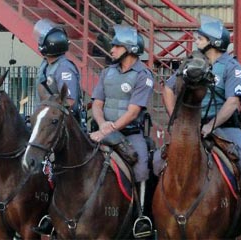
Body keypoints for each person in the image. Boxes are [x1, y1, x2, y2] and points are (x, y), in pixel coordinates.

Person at [161, 14, 241, 238]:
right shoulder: (190, 63)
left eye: (201, 38)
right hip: (189, 128)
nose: (196, 40)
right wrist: (176, 121)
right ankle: (152, 218)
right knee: (158, 161)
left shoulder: (233, 68)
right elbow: (168, 89)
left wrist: (210, 126)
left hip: (225, 128)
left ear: (214, 42)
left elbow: (233, 101)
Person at [89, 25, 154, 238]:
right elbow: (97, 104)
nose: (112, 50)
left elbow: (134, 112)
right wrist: (102, 125)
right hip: (103, 130)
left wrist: (111, 128)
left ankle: (142, 217)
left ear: (130, 49)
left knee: (143, 166)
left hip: (130, 134)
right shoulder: (107, 72)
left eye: (117, 46)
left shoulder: (144, 75)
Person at [31, 18, 83, 236]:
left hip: (64, 130)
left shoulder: (64, 68)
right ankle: (43, 213)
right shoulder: (46, 64)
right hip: (45, 125)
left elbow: (69, 102)